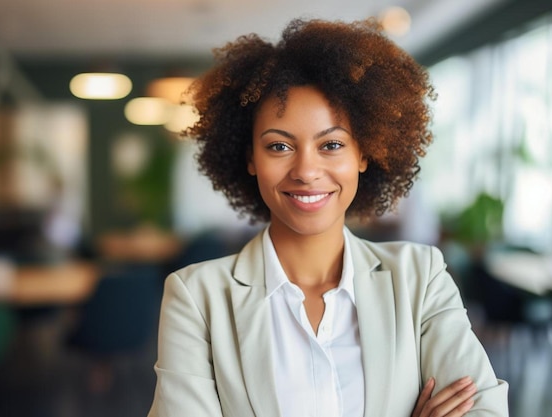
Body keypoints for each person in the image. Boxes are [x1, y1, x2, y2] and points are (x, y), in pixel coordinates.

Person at [148, 18, 509, 417]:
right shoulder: (196, 297)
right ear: (250, 158)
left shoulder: (420, 278)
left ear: (364, 153)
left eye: (332, 144)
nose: (305, 170)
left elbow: (484, 410)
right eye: (279, 146)